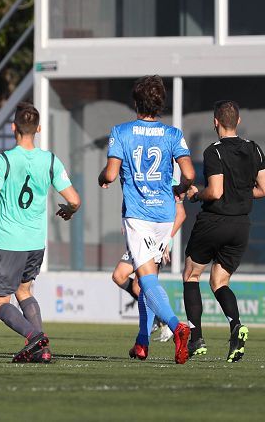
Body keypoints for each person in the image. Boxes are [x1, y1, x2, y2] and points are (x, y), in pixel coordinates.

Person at [0, 103, 81, 363]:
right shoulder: (50, 160)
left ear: (13, 127)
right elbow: (74, 199)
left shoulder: (4, 160)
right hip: (36, 243)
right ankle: (43, 349)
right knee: (24, 291)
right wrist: (70, 211)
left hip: (9, 243)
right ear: (38, 129)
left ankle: (35, 337)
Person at [98, 75, 194, 364]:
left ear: (136, 102)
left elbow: (111, 174)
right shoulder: (173, 134)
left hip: (139, 216)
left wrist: (102, 176)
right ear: (160, 103)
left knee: (146, 281)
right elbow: (189, 174)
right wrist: (178, 188)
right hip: (164, 216)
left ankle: (177, 326)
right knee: (146, 277)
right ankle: (142, 342)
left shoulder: (121, 131)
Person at [182, 100, 265, 362]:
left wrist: (196, 196)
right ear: (238, 121)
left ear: (215, 122)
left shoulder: (213, 152)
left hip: (214, 222)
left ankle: (196, 339)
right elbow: (263, 189)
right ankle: (235, 326)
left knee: (192, 275)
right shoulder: (255, 149)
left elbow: (215, 191)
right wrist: (241, 193)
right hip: (240, 225)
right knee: (220, 281)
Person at [110, 188, 185, 343]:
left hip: (157, 241)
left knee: (141, 286)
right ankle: (158, 319)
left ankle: (162, 325)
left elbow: (181, 214)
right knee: (119, 275)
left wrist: (166, 240)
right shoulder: (139, 176)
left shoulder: (167, 178)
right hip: (140, 235)